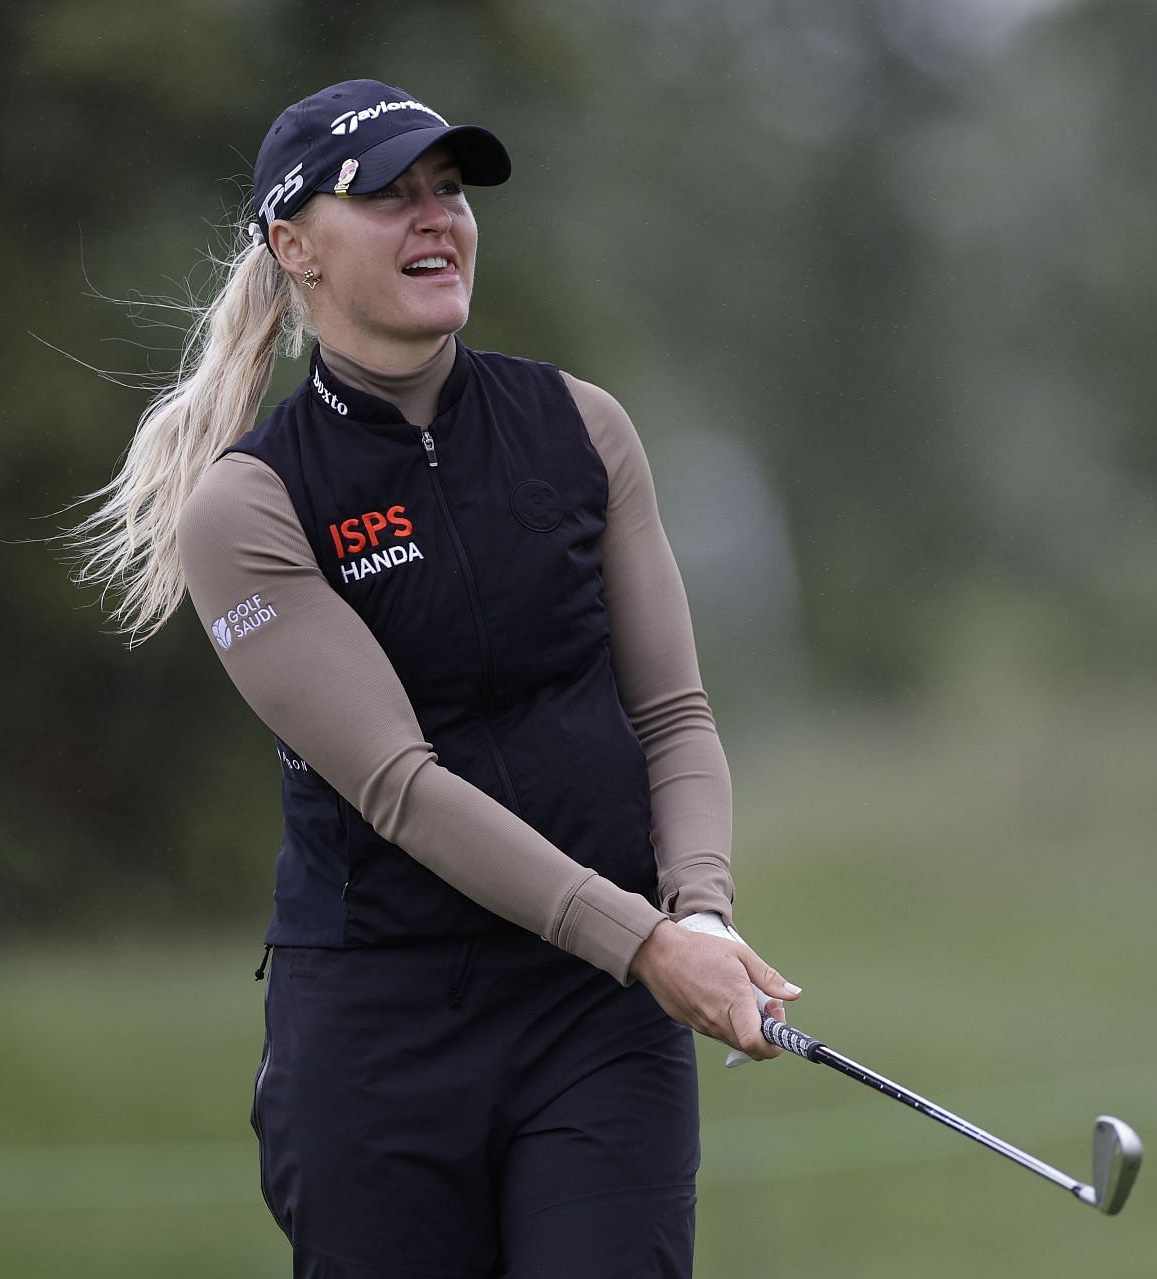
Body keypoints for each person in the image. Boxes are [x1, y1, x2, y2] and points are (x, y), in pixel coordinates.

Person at [68, 79, 801, 1277]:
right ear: (292, 244)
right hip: (380, 1036)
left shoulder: (581, 426)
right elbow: (401, 786)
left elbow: (672, 714)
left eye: (449, 191)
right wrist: (648, 943)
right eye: (388, 195)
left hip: (594, 1019)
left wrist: (702, 913)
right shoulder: (249, 505)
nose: (437, 219)